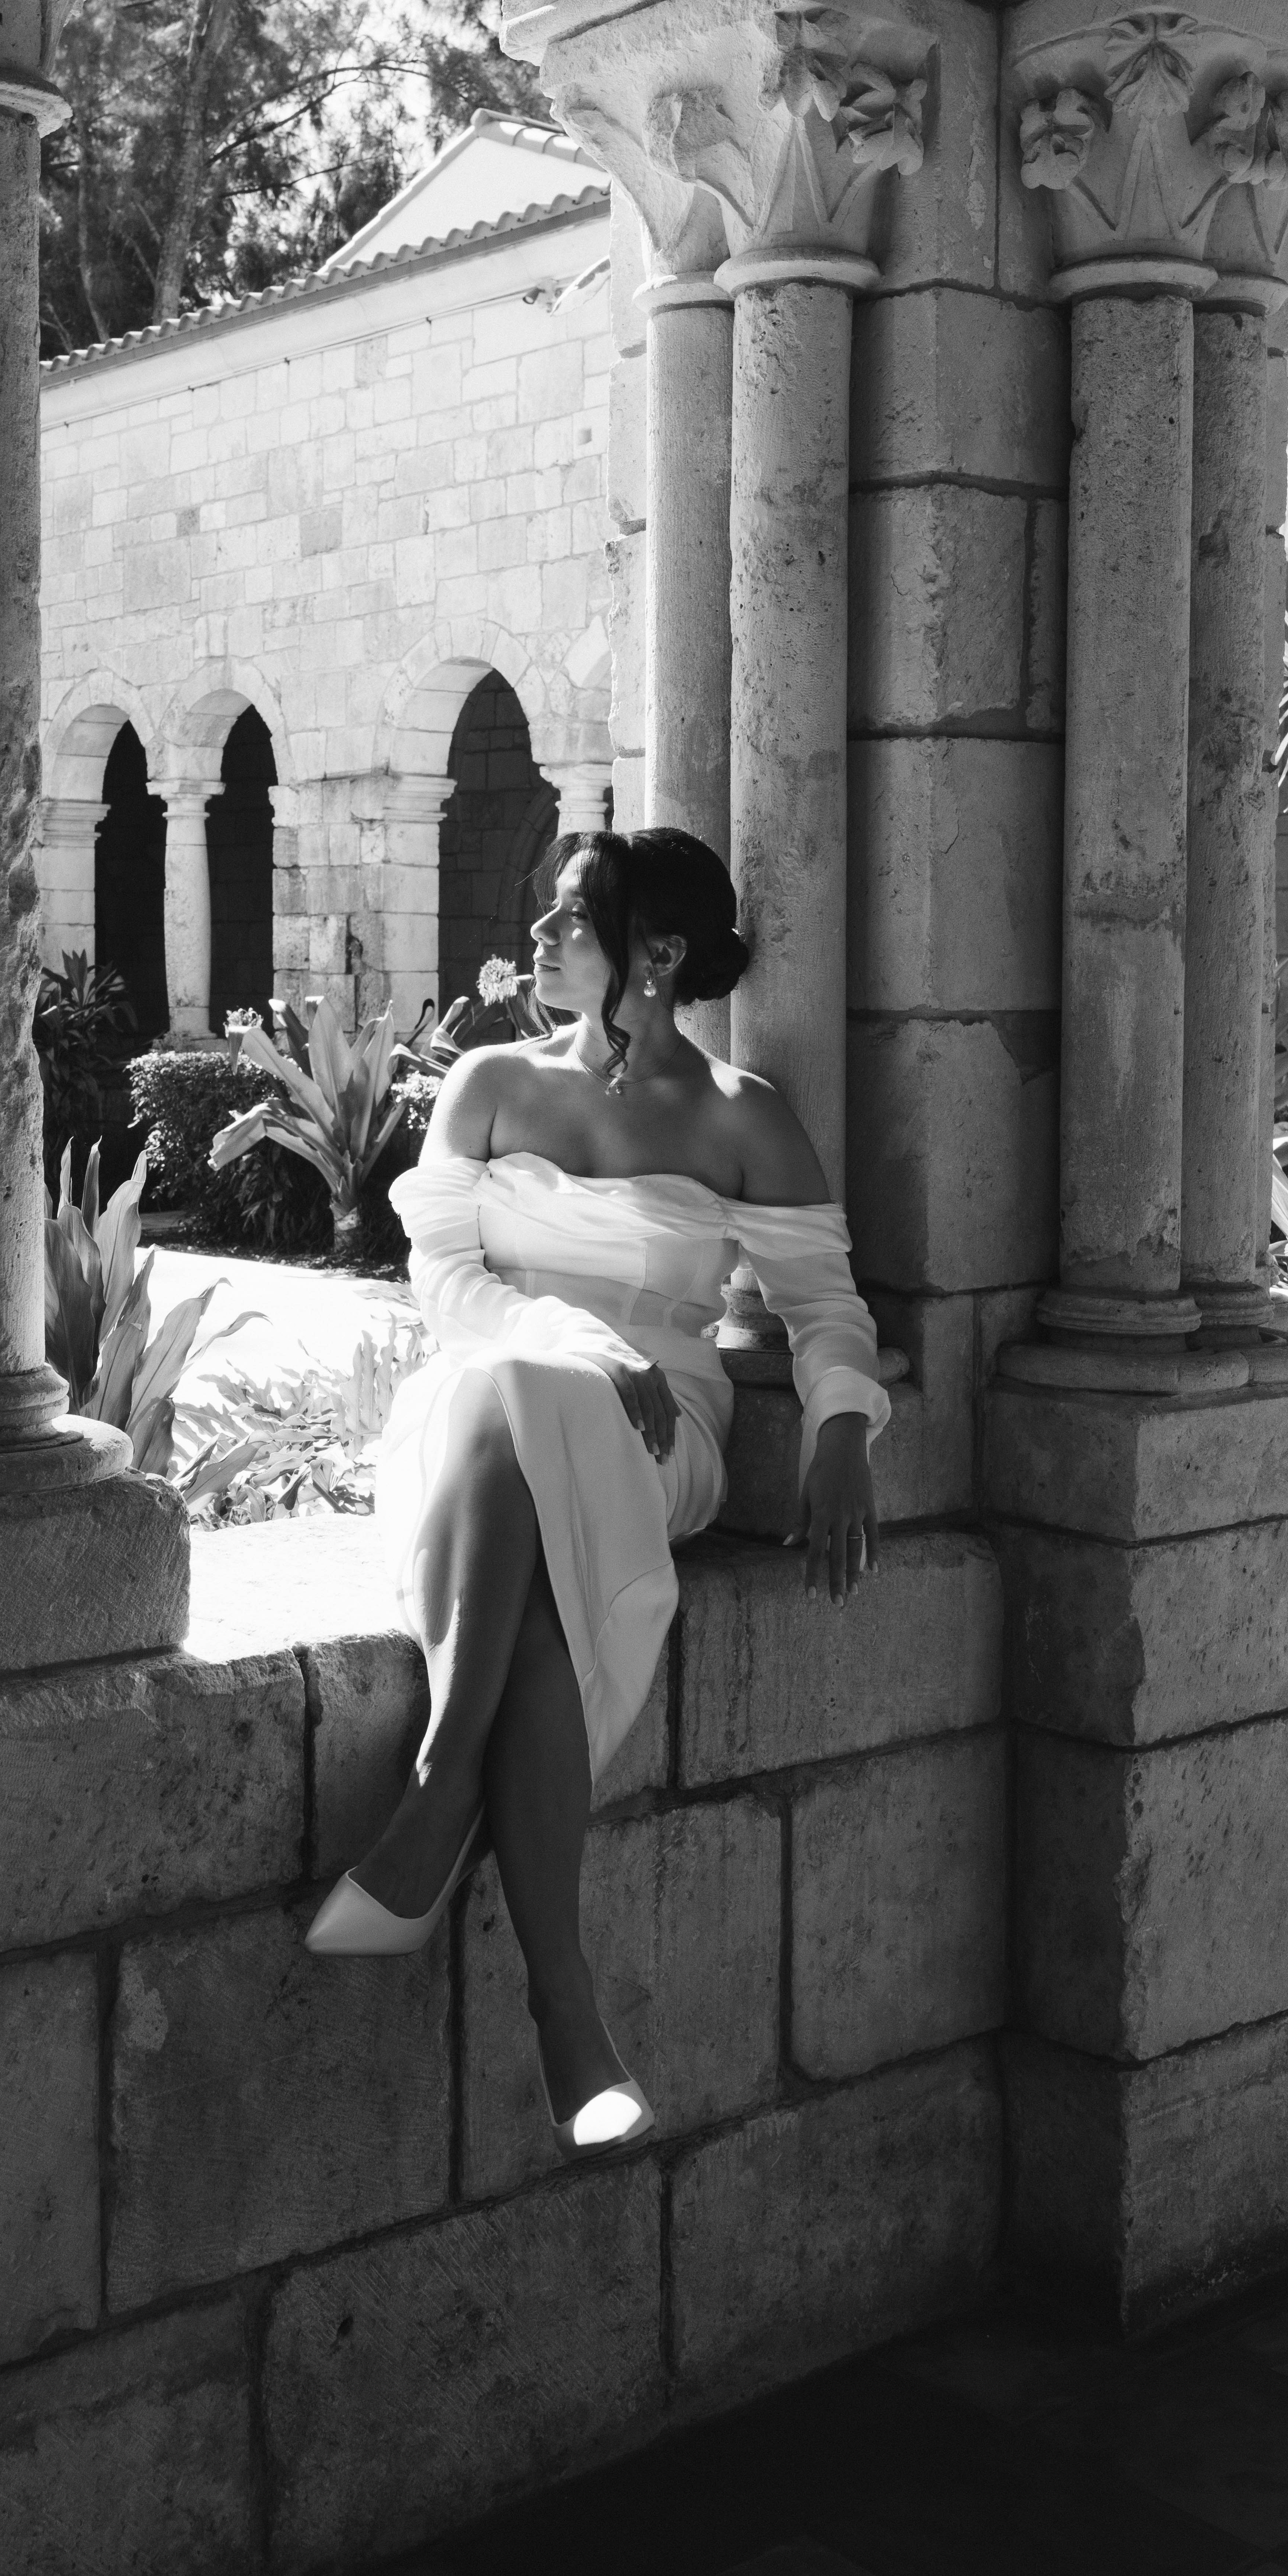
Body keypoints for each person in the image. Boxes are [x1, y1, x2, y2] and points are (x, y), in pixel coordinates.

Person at [307, 828, 886, 2154]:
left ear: (659, 954)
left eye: (573, 919)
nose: (541, 939)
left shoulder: (746, 1115)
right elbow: (447, 1284)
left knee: (543, 1423)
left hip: (660, 1432)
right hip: (479, 1409)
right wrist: (582, 1345)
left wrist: (842, 1427)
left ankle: (443, 1794)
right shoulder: (489, 1080)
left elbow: (822, 1310)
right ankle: (565, 2004)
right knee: (517, 1401)